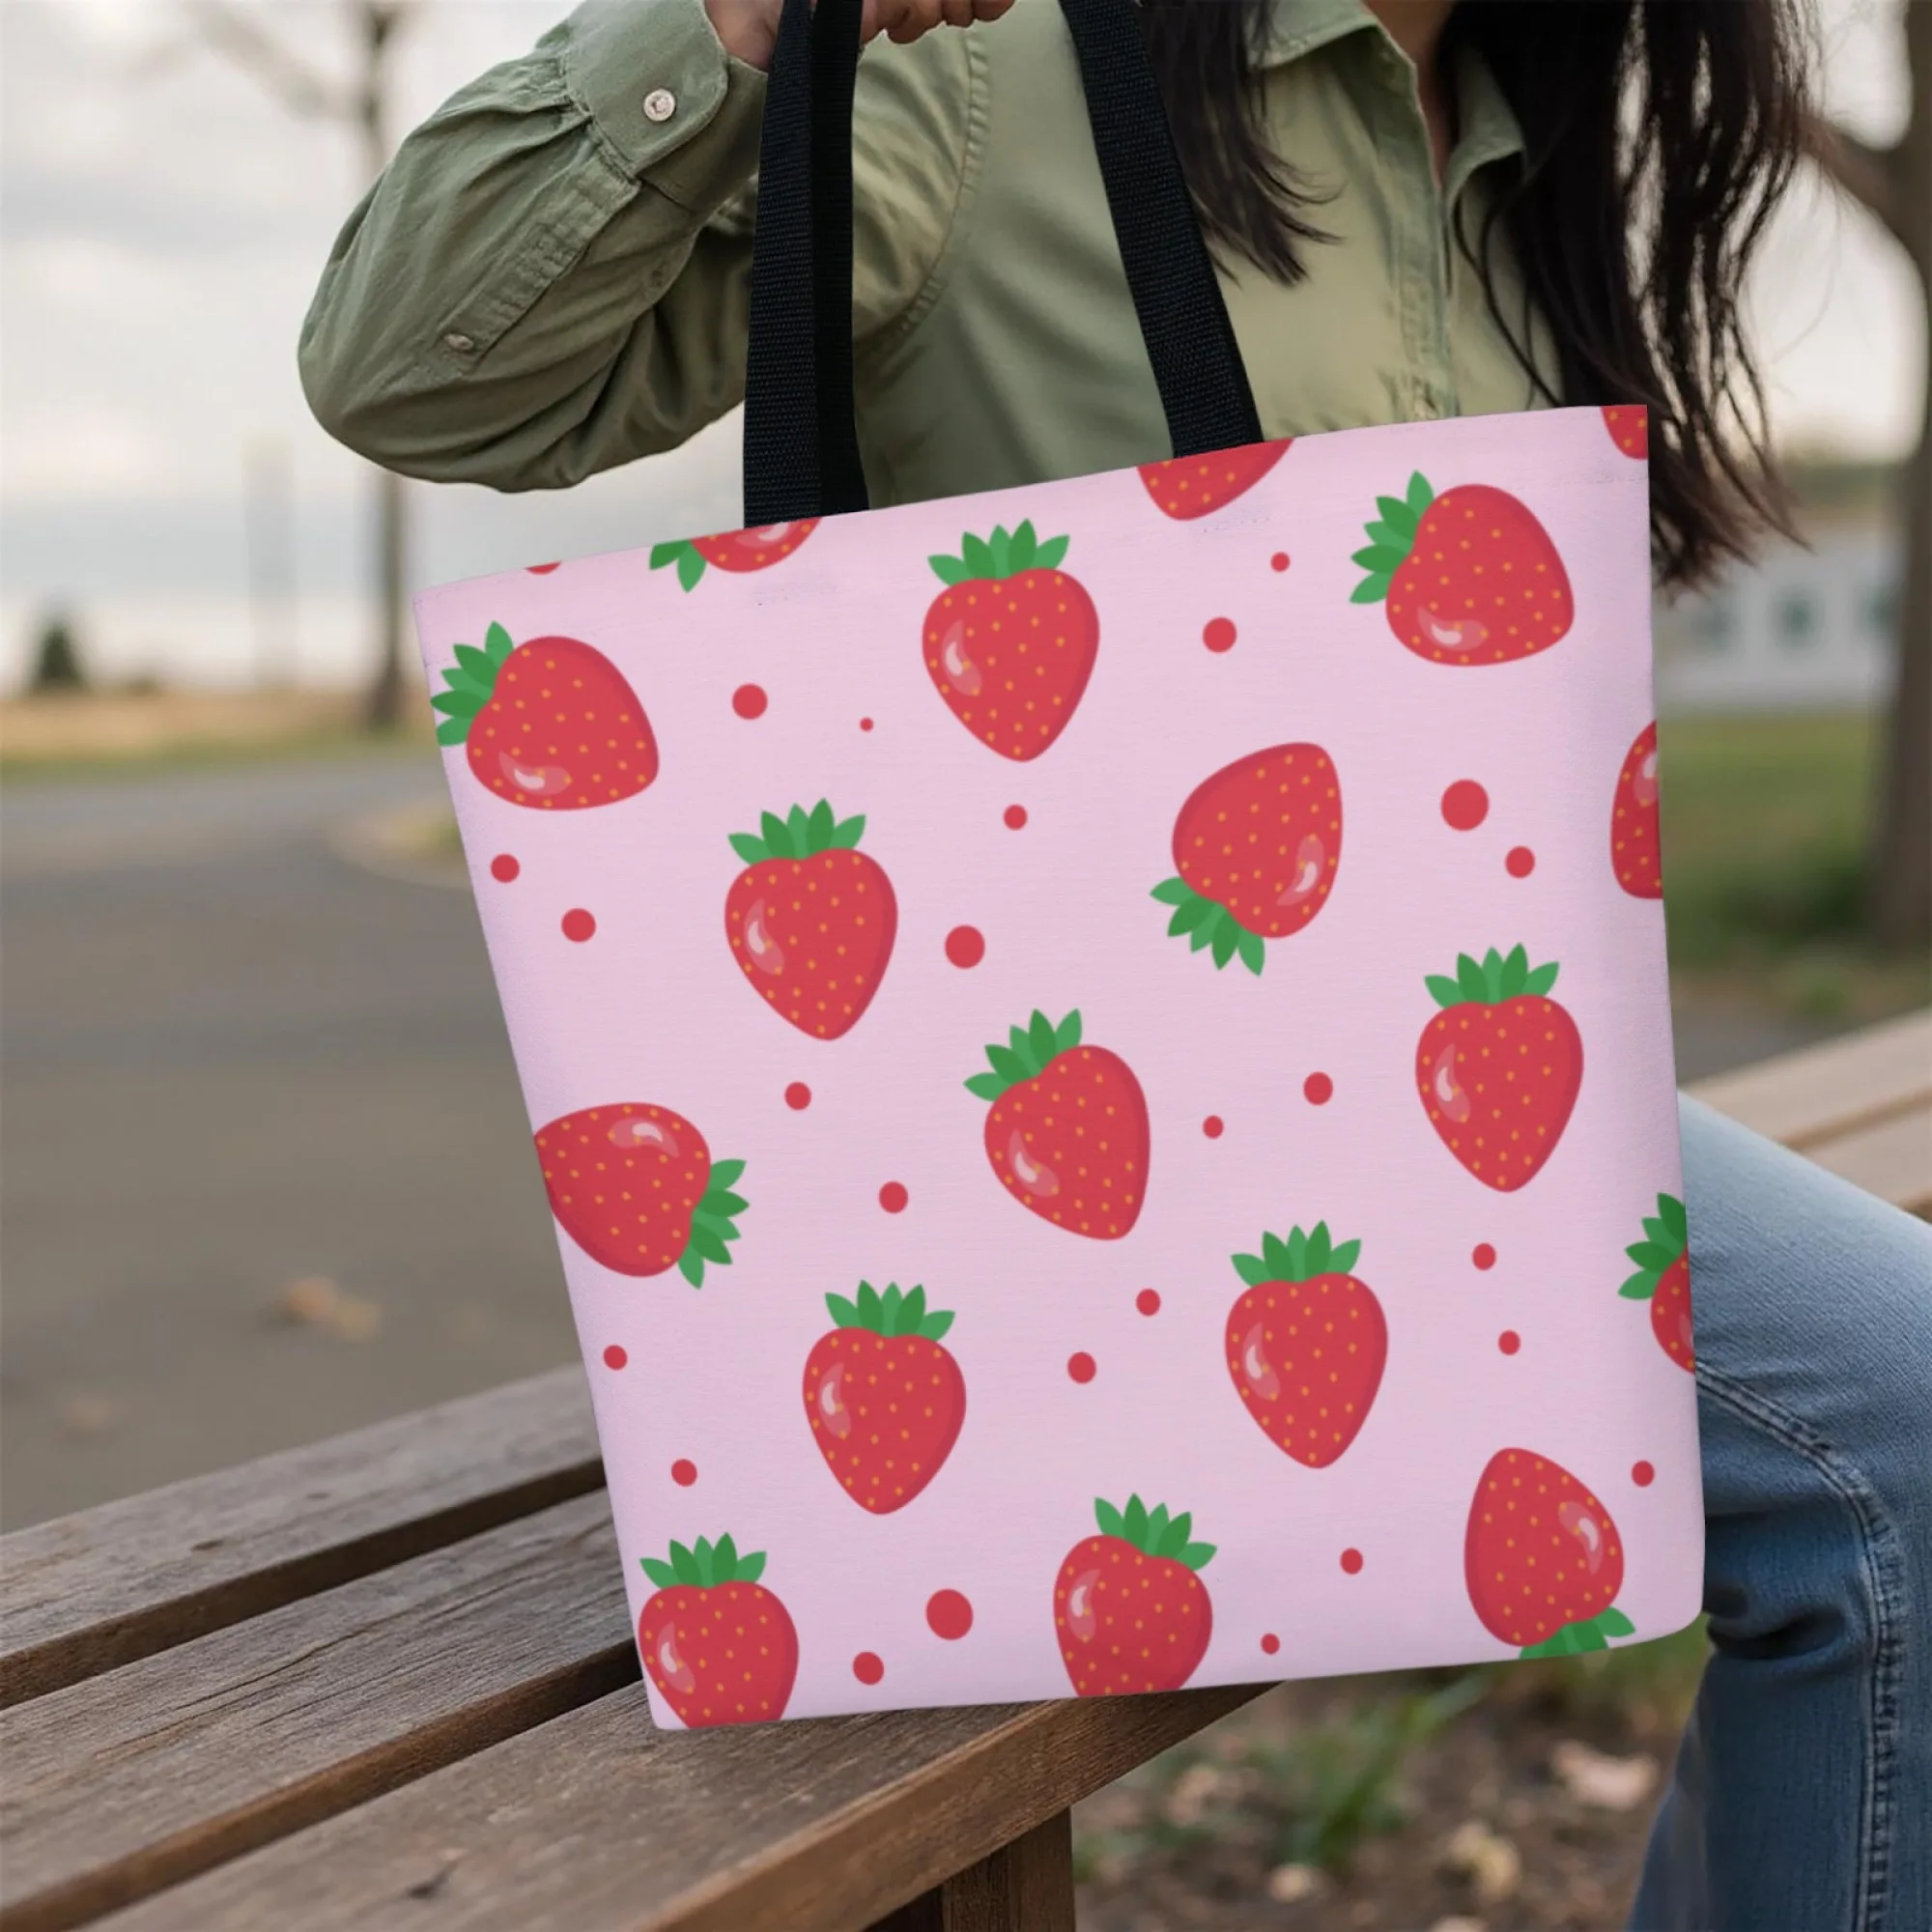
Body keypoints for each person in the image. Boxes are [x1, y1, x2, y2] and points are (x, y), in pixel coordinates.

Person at [299, 2, 1932, 1925]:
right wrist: (734, 21)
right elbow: (407, 371)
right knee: (1898, 1425)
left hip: (1407, 1102)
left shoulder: (1523, 126)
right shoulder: (992, 74)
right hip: (1020, 1144)